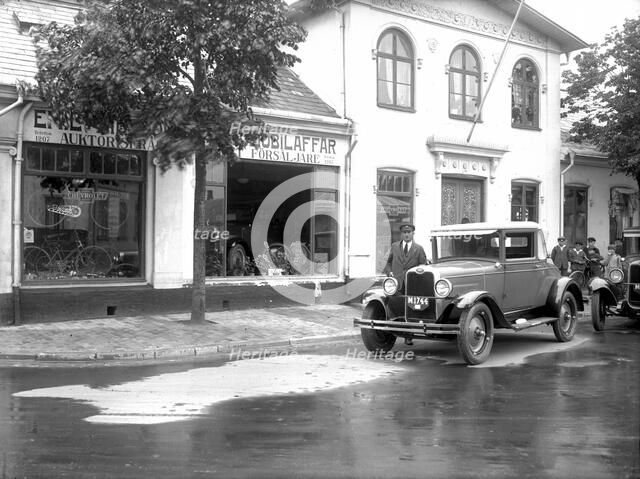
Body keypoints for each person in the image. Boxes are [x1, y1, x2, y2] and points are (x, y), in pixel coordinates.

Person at [383, 223, 427, 345]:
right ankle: (392, 331)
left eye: (409, 232)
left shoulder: (419, 249)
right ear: (401, 234)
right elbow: (387, 263)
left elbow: (424, 267)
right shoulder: (394, 246)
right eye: (404, 233)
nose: (407, 235)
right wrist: (389, 273)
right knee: (396, 307)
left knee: (410, 309)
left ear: (413, 234)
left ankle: (409, 335)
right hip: (396, 284)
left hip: (412, 285)